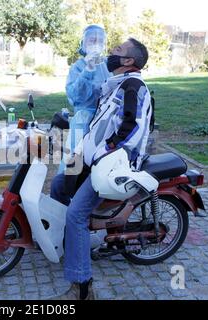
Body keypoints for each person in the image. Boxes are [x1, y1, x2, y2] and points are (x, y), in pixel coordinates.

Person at [49, 38, 152, 300]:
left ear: (129, 61)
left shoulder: (134, 87)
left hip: (111, 163)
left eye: (117, 51)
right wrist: (81, 151)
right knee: (58, 185)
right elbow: (98, 121)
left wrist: (103, 152)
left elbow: (133, 129)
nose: (110, 53)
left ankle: (82, 287)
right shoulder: (114, 86)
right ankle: (67, 245)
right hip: (89, 155)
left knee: (76, 215)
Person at [59, 24, 111, 172]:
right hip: (83, 121)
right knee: (73, 163)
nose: (96, 44)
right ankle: (66, 191)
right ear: (83, 43)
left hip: (105, 120)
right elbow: (76, 96)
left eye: (100, 41)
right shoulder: (78, 67)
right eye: (92, 40)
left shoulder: (108, 66)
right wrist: (88, 70)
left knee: (99, 161)